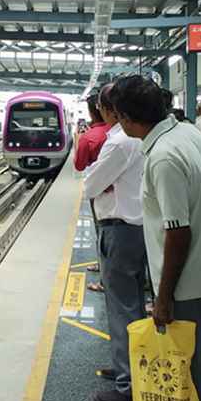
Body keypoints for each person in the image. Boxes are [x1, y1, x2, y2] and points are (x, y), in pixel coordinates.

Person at [112, 75, 201, 401]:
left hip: (190, 288)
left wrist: (163, 298)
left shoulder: (164, 157)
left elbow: (178, 232)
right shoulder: (189, 134)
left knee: (188, 382)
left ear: (125, 117)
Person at [83, 83, 146, 401]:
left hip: (119, 233)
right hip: (140, 230)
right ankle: (130, 369)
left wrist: (98, 176)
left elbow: (91, 185)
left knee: (122, 309)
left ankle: (128, 385)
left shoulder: (119, 143)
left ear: (109, 110)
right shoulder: (140, 138)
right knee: (134, 306)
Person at [74, 92, 113, 292]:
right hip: (126, 196)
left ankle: (105, 276)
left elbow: (79, 165)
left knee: (102, 232)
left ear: (92, 111)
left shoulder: (90, 137)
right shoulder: (120, 133)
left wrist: (78, 139)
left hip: (100, 192)